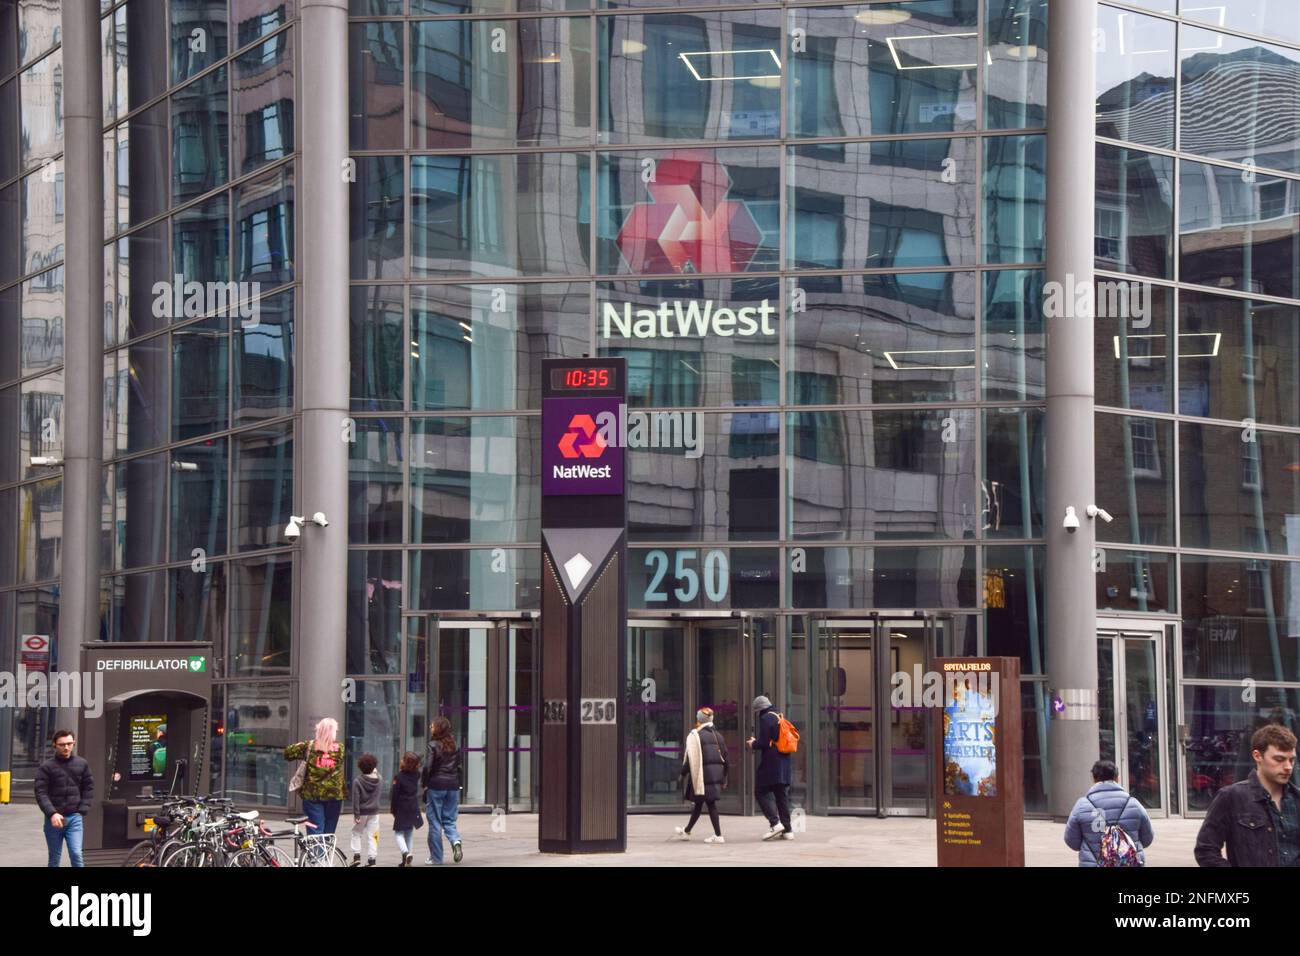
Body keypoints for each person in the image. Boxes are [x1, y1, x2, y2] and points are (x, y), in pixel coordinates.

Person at [1195, 723, 1299, 867]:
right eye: (1279, 759)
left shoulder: (1296, 799)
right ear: (1258, 756)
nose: (1288, 767)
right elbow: (1206, 850)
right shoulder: (1231, 797)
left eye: (1291, 760)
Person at [1063, 759, 1154, 866]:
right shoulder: (1134, 804)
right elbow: (1147, 839)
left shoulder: (1082, 805)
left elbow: (1072, 841)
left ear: (1094, 778)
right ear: (1117, 778)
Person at [34, 729, 94, 868]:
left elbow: (89, 787)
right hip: (54, 819)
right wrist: (52, 813)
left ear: (74, 743)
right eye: (62, 744)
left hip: (74, 818)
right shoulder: (46, 766)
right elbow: (40, 792)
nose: (66, 747)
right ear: (55, 745)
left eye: (69, 743)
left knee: (77, 854)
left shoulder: (82, 763)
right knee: (54, 858)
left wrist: (82, 810)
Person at [283, 717, 345, 835]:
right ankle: (327, 852)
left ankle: (316, 853)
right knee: (329, 833)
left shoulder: (309, 746)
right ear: (332, 732)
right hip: (334, 796)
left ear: (319, 730)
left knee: (315, 831)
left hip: (312, 796)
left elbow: (287, 753)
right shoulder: (340, 749)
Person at [675, 706, 728, 844]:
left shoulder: (696, 736)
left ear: (699, 720)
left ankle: (718, 835)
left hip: (702, 777)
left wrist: (682, 774)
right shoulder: (719, 736)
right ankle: (687, 830)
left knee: (709, 804)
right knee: (700, 804)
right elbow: (726, 759)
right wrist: (725, 777)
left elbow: (691, 759)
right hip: (715, 776)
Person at [747, 695, 793, 841]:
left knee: (760, 791)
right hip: (784, 762)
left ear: (760, 709)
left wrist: (753, 743)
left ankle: (775, 823)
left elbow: (764, 742)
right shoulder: (779, 716)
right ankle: (788, 830)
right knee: (781, 796)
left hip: (772, 762)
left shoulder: (766, 718)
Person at [422, 716, 463, 864]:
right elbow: (459, 766)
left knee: (435, 823)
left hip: (436, 786)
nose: (430, 727)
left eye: (432, 725)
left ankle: (436, 859)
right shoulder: (455, 746)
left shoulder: (433, 745)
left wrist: (424, 783)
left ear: (438, 728)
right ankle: (456, 841)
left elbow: (427, 767)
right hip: (452, 786)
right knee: (449, 820)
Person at [349, 752, 381, 867]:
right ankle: (372, 859)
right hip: (374, 812)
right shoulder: (378, 779)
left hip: (361, 813)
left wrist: (356, 815)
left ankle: (356, 856)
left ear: (360, 767)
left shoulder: (357, 781)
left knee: (356, 833)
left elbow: (355, 800)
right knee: (373, 835)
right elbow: (376, 771)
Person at [390, 752, 422, 867]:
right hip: (413, 806)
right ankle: (407, 860)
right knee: (409, 833)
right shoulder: (416, 775)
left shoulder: (398, 777)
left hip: (402, 807)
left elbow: (395, 795)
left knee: (398, 833)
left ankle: (405, 853)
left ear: (404, 762)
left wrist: (393, 809)